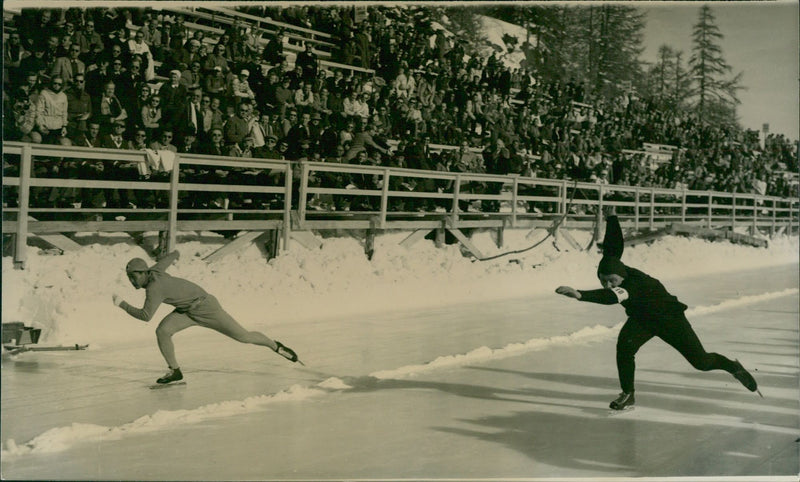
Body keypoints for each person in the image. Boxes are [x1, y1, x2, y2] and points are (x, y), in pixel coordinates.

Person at [555, 209, 760, 410]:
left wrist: (582, 295)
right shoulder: (614, 265)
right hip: (641, 319)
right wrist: (612, 218)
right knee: (625, 349)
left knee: (701, 362)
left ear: (622, 278)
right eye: (604, 280)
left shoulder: (633, 284)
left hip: (669, 318)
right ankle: (628, 394)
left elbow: (610, 297)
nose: (608, 284)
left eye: (613, 281)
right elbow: (613, 246)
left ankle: (732, 367)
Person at [112, 251, 300, 384]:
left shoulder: (154, 288)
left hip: (206, 308)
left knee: (243, 336)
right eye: (129, 277)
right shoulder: (155, 270)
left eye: (133, 276)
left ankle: (276, 346)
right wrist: (176, 253)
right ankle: (175, 371)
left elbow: (145, 316)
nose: (131, 281)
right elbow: (168, 258)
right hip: (186, 311)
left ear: (144, 273)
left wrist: (122, 304)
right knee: (163, 331)